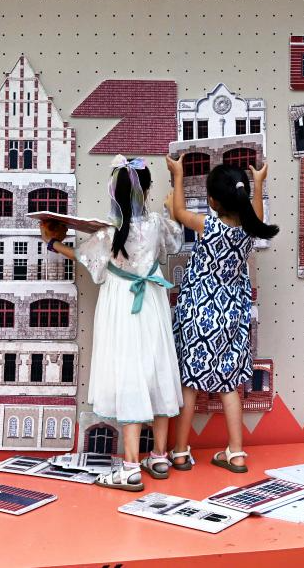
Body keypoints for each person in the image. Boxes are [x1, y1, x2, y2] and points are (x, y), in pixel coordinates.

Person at [42, 155, 183, 491]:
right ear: (146, 189)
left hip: (122, 304)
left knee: (129, 373)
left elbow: (83, 256)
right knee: (157, 370)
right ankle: (159, 456)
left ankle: (130, 467)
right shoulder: (156, 224)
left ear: (113, 193)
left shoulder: (108, 233)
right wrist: (173, 196)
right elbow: (175, 239)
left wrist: (53, 242)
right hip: (152, 300)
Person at [165, 157, 278, 474]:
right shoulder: (249, 228)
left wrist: (178, 174)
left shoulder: (208, 226)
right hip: (231, 316)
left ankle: (180, 452)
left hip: (199, 314)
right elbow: (257, 213)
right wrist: (259, 183)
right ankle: (236, 453)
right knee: (229, 387)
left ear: (212, 201)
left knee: (189, 384)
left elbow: (178, 212)